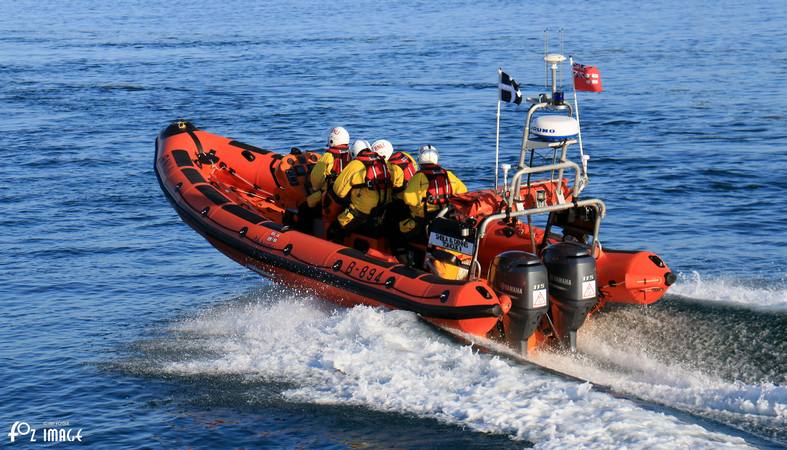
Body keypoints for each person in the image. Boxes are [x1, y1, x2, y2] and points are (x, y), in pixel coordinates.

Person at [328, 139, 404, 243]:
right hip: (383, 212)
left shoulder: (355, 164)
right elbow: (398, 182)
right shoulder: (385, 163)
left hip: (361, 214)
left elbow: (338, 191)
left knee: (334, 229)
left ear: (354, 152)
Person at [399, 144, 467, 239]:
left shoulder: (419, 177)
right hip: (446, 216)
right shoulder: (448, 174)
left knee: (398, 215)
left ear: (420, 159)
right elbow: (463, 192)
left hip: (424, 220)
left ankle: (399, 250)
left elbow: (409, 200)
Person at [306, 127, 351, 209]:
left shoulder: (328, 156)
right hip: (348, 193)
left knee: (307, 203)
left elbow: (316, 182)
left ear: (331, 140)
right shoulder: (351, 154)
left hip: (331, 193)